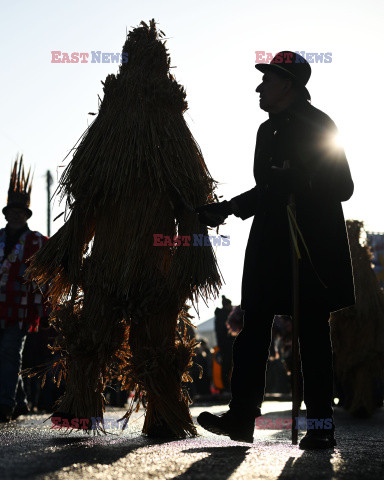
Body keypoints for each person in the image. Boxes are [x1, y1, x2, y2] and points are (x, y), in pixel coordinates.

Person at [196, 51, 354, 449]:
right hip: (269, 240)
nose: (258, 87)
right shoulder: (265, 132)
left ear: (289, 84)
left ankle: (320, 423)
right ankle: (241, 417)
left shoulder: (320, 125)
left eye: (267, 79)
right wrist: (230, 208)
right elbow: (267, 191)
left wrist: (302, 181)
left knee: (312, 332)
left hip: (309, 246)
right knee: (252, 330)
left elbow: (344, 187)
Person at [0, 156, 48, 422]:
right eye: (12, 211)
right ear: (6, 214)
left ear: (27, 215)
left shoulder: (37, 241)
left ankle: (5, 403)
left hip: (19, 310)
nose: (16, 215)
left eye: (21, 212)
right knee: (4, 355)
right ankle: (19, 402)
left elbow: (56, 257)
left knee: (8, 352)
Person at [214, 295, 234, 391]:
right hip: (229, 345)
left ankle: (226, 388)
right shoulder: (227, 315)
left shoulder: (219, 316)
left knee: (226, 367)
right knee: (228, 367)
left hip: (223, 345)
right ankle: (227, 388)